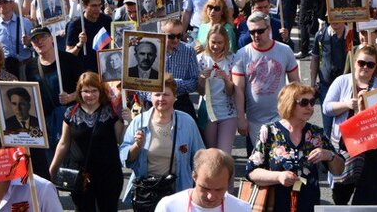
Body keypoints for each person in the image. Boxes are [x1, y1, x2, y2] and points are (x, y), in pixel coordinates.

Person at [245, 83, 343, 211]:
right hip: (275, 204)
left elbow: (339, 170)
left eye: (312, 102)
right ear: (289, 103)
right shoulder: (269, 131)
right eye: (304, 102)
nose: (310, 107)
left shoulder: (316, 133)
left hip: (308, 203)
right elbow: (252, 172)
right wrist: (278, 177)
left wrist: (329, 155)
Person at [121, 75, 204, 212]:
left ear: (175, 97)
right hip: (147, 192)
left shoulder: (187, 122)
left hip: (177, 191)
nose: (161, 99)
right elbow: (124, 157)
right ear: (150, 96)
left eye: (166, 94)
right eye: (157, 94)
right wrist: (136, 146)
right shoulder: (139, 121)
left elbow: (200, 157)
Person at [50, 72, 125, 212]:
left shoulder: (111, 112)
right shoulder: (70, 113)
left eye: (94, 90)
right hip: (80, 175)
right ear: (79, 92)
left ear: (100, 91)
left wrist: (127, 121)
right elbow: (64, 143)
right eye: (86, 91)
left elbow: (121, 139)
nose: (90, 95)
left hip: (108, 174)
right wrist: (53, 168)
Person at [323, 45, 377, 204]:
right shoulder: (342, 81)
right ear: (354, 62)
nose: (365, 67)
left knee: (364, 193)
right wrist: (347, 104)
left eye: (370, 64)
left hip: (368, 147)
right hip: (344, 145)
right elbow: (326, 108)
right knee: (341, 192)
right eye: (361, 63)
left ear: (375, 67)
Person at [233, 12, 300, 145]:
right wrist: (241, 118)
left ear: (269, 29)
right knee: (258, 161)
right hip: (254, 120)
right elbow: (238, 89)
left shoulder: (285, 50)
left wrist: (296, 113)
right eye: (252, 32)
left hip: (281, 117)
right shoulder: (242, 54)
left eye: (260, 31)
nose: (256, 35)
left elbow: (295, 85)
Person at [153, 148, 250, 212]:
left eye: (219, 189)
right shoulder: (168, 207)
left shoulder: (242, 209)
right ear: (194, 176)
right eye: (205, 188)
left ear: (229, 182)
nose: (211, 197)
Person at [197, 25, 237, 153]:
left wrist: (226, 79)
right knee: (212, 154)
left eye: (220, 42)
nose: (216, 46)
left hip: (228, 113)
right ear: (208, 41)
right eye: (213, 42)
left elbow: (231, 92)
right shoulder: (200, 59)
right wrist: (202, 78)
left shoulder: (232, 59)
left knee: (224, 154)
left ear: (226, 42)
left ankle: (227, 174)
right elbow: (199, 91)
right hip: (208, 113)